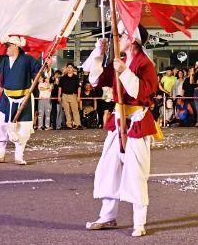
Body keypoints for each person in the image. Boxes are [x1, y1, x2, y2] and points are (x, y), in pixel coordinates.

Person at [83, 24, 161, 238]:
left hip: (136, 123)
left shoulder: (146, 64)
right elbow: (96, 80)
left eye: (124, 34)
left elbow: (144, 92)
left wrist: (124, 72)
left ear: (134, 39)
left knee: (135, 173)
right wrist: (99, 54)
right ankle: (107, 216)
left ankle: (139, 222)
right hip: (118, 122)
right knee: (109, 170)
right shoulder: (121, 61)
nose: (119, 37)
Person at [0, 35, 47, 165]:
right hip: (6, 99)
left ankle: (19, 156)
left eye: (8, 46)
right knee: (0, 126)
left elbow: (40, 72)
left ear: (16, 46)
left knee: (22, 128)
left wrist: (47, 66)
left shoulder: (27, 59)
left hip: (24, 98)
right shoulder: (2, 60)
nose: (5, 48)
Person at [59, 63, 82, 130]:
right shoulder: (63, 78)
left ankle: (78, 124)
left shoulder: (76, 77)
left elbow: (79, 88)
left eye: (71, 67)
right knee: (67, 111)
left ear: (73, 69)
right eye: (68, 67)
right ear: (66, 68)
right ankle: (69, 125)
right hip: (64, 95)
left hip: (73, 95)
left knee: (75, 110)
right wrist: (59, 96)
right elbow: (60, 87)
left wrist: (78, 96)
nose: (69, 69)